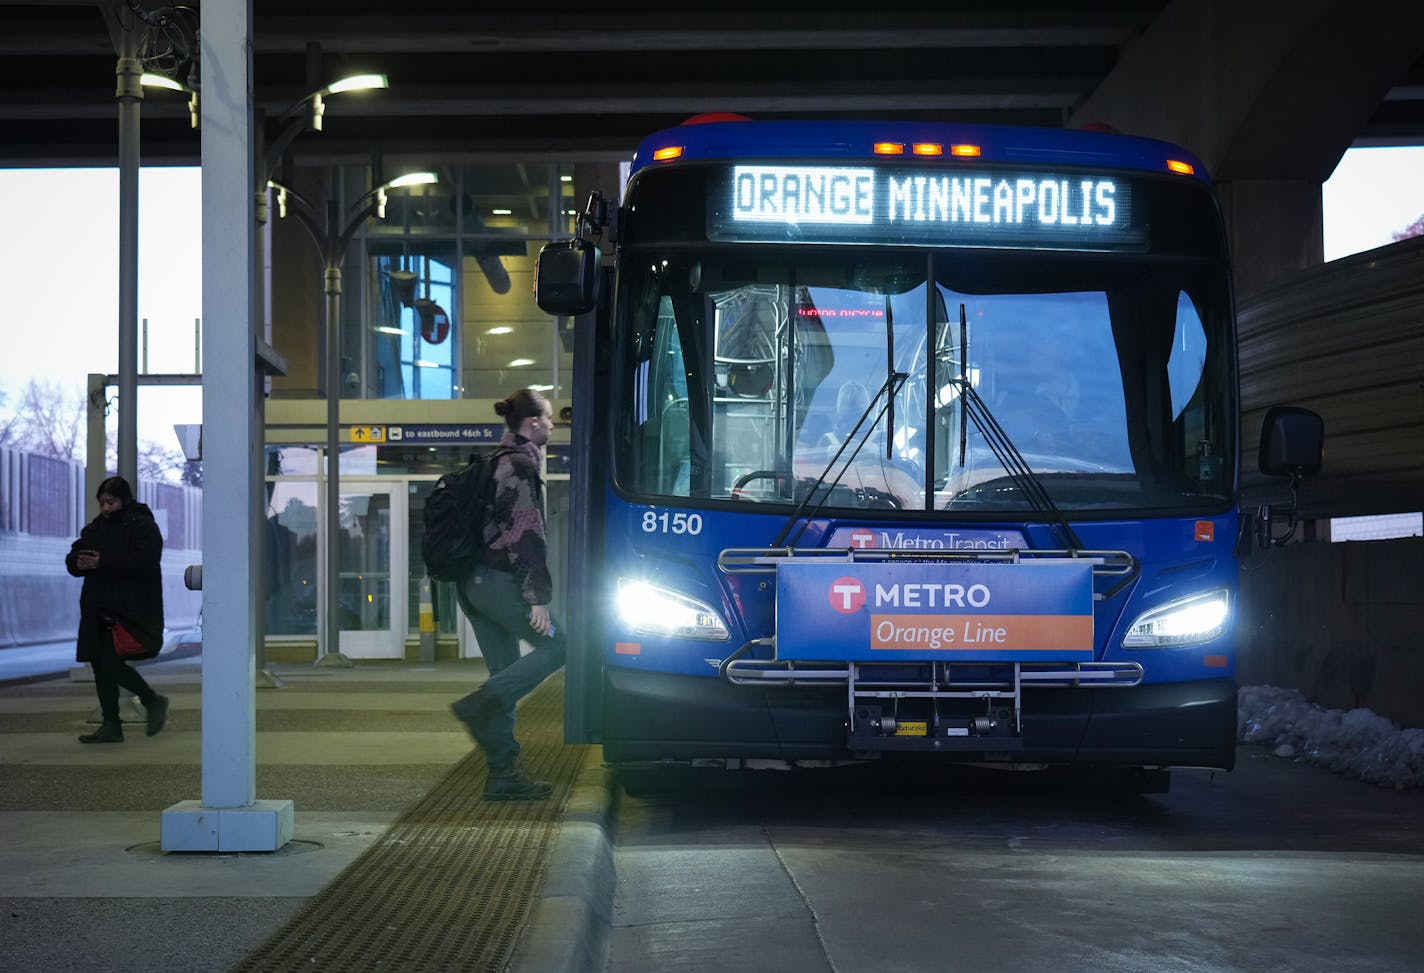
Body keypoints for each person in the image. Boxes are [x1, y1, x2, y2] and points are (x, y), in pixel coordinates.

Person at [449, 389, 567, 800]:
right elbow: (525, 535)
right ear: (532, 423)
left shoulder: (495, 461)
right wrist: (537, 597)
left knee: (505, 674)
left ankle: (502, 774)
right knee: (560, 646)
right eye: (549, 419)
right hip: (499, 583)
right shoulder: (518, 466)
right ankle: (481, 704)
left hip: (473, 584)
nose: (553, 425)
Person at [64, 475, 169, 744]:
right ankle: (111, 723)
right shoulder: (96, 528)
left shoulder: (143, 525)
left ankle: (151, 699)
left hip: (129, 609)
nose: (106, 508)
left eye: (110, 502)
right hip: (98, 607)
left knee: (110, 663)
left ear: (124, 500)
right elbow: (74, 555)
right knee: (100, 664)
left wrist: (103, 561)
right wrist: (79, 562)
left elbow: (144, 561)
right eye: (102, 503)